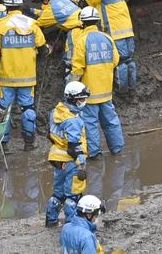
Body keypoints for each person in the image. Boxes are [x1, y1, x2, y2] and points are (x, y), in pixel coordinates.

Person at [0, 0, 49, 151]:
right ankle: (29, 143)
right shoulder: (32, 25)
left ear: (6, 7)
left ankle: (3, 145)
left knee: (4, 110)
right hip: (27, 77)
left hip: (6, 77)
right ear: (21, 6)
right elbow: (43, 50)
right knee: (28, 109)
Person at [70, 7, 124, 159]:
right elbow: (115, 61)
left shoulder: (81, 40)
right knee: (111, 120)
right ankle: (117, 150)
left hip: (89, 92)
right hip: (106, 90)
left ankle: (95, 154)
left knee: (90, 123)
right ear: (97, 21)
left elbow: (77, 68)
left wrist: (72, 89)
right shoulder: (107, 38)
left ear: (83, 22)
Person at [79, 0, 136, 96]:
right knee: (129, 59)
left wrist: (78, 0)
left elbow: (88, 3)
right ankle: (132, 88)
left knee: (120, 60)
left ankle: (122, 91)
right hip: (126, 27)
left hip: (114, 28)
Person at [46, 82, 90, 227]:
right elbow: (73, 148)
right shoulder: (73, 120)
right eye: (82, 99)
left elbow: (50, 135)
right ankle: (72, 225)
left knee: (58, 193)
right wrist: (82, 164)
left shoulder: (56, 111)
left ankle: (51, 220)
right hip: (72, 161)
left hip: (58, 160)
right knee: (73, 195)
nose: (84, 102)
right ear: (73, 99)